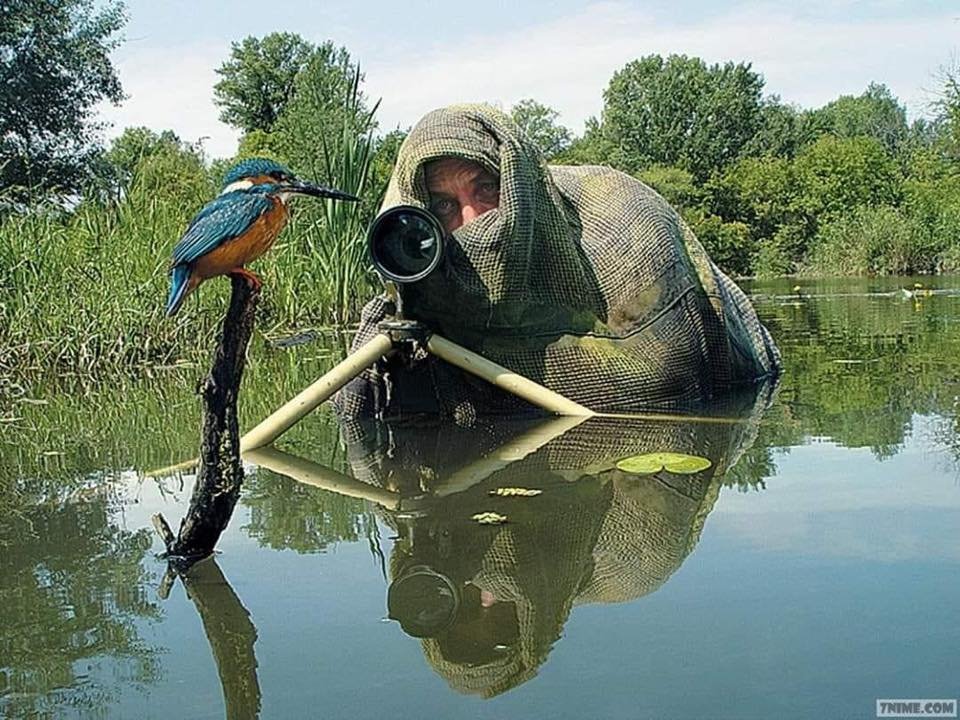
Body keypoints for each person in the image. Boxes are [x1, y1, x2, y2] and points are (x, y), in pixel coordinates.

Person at [337, 104, 780, 418]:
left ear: (519, 186)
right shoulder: (425, 288)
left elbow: (671, 381)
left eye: (486, 190)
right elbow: (358, 420)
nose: (473, 221)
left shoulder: (625, 235)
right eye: (446, 207)